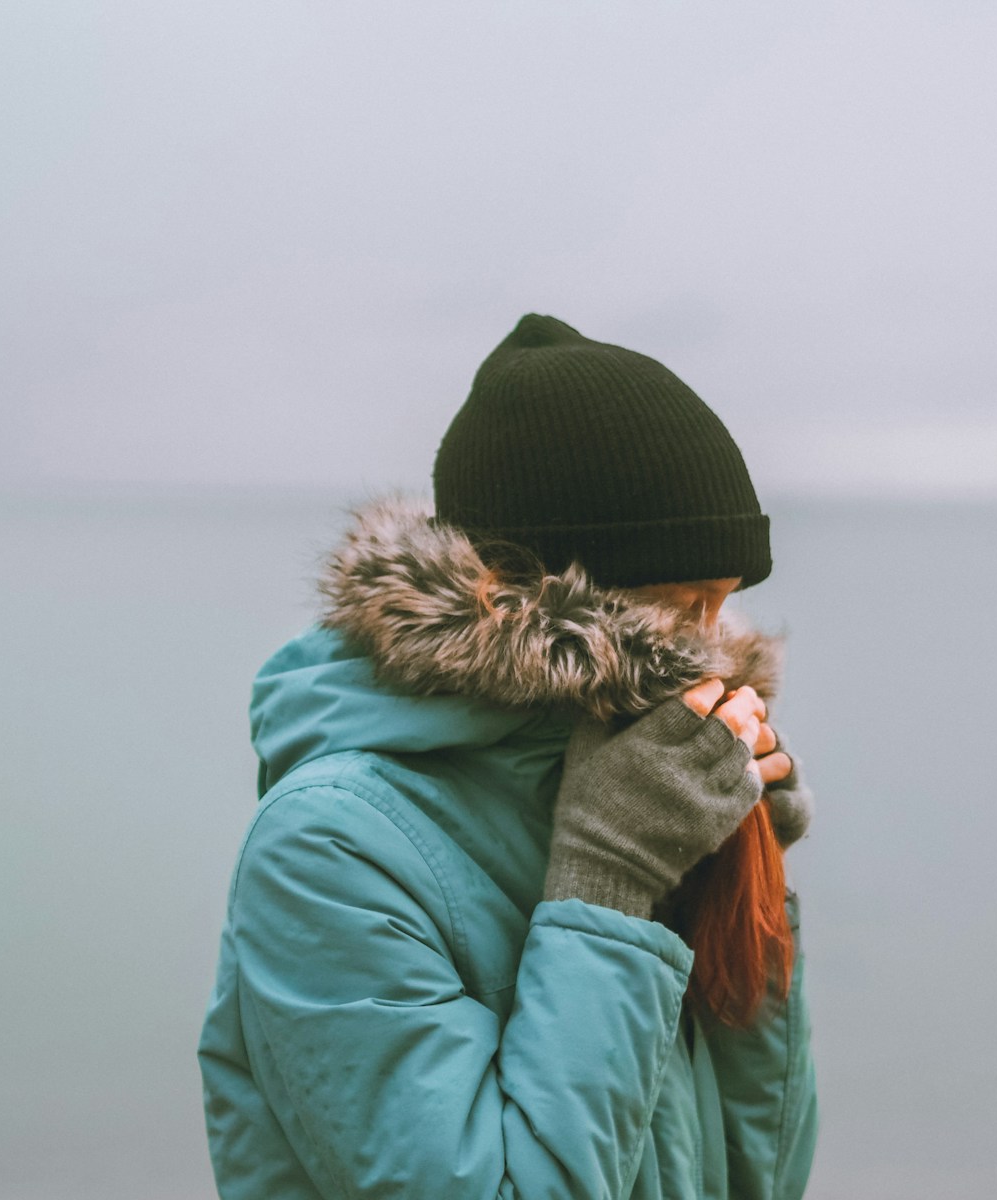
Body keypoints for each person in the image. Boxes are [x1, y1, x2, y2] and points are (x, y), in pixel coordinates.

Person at [198, 313, 819, 1199]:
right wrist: (609, 880)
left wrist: (754, 896)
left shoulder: (634, 780)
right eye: (679, 608)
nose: (711, 655)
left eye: (721, 607)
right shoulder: (330, 848)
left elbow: (760, 1175)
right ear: (543, 607)